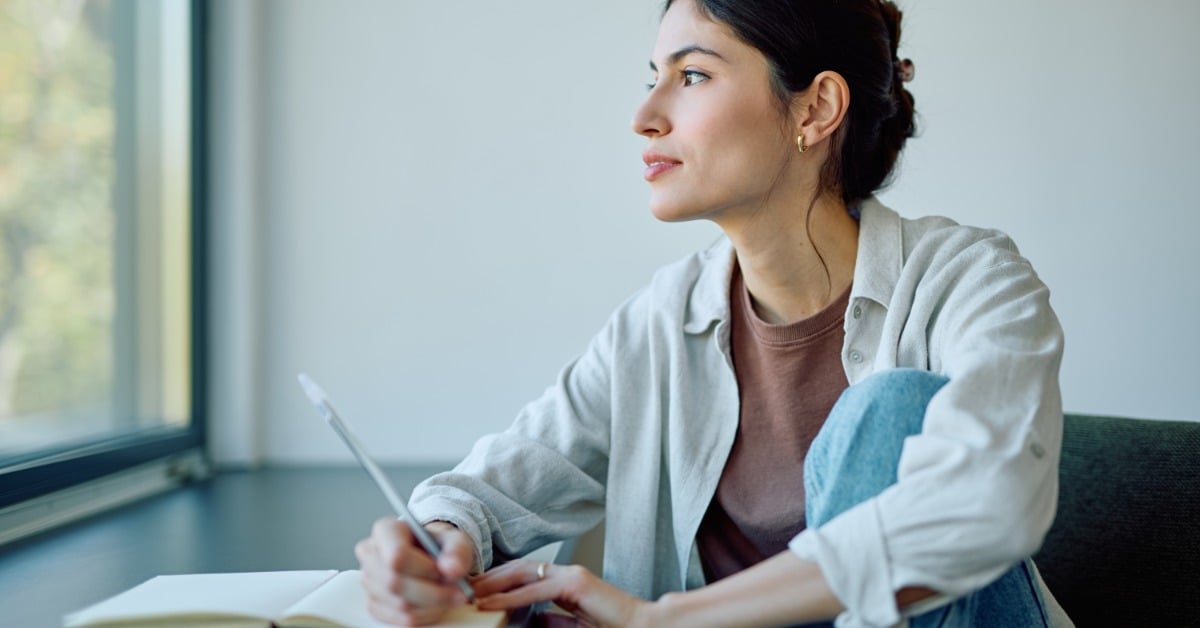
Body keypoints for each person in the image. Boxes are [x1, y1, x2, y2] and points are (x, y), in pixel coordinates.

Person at [355, 0, 1070, 626]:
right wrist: (432, 540)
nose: (644, 117)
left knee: (892, 411)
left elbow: (986, 501)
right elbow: (494, 488)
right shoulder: (657, 326)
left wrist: (665, 620)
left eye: (691, 76)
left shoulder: (970, 281)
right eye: (652, 77)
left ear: (815, 109)